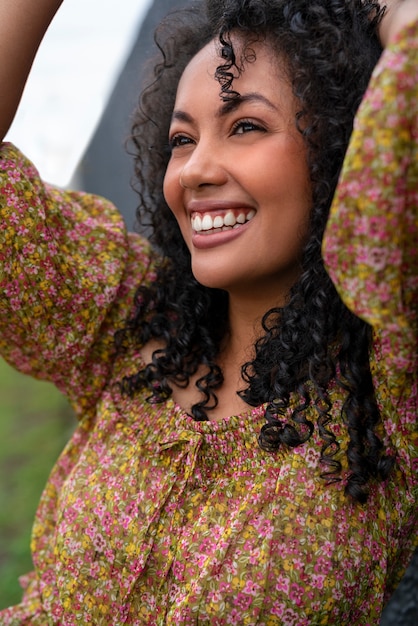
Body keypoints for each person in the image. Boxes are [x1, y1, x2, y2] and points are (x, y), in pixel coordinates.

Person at [0, 0, 416, 623]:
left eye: (245, 126)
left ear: (346, 144)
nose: (194, 170)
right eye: (182, 139)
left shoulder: (390, 384)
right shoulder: (134, 321)